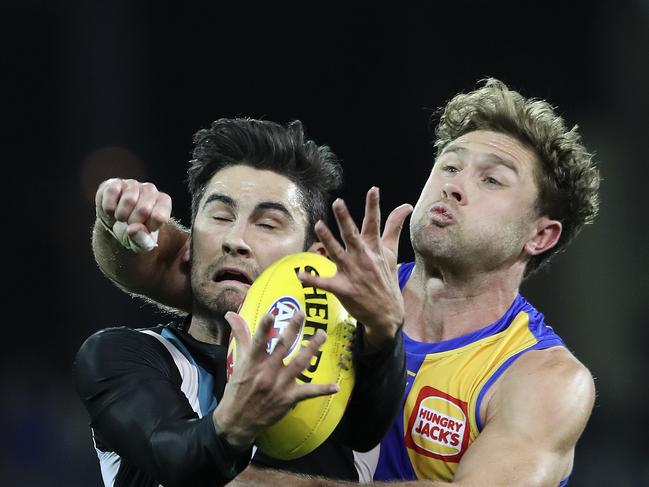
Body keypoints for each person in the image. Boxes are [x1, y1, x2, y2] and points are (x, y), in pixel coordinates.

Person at [96, 78, 600, 487]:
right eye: (449, 165)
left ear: (541, 234)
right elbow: (187, 271)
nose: (454, 184)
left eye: (491, 179)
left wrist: (258, 483)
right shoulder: (335, 292)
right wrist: (120, 223)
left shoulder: (543, 380)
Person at [74, 118, 412, 487]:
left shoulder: (347, 368)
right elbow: (169, 454)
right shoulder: (122, 355)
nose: (235, 239)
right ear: (189, 242)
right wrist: (232, 424)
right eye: (220, 216)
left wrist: (384, 329)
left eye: (267, 224)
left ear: (311, 258)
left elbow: (368, 425)